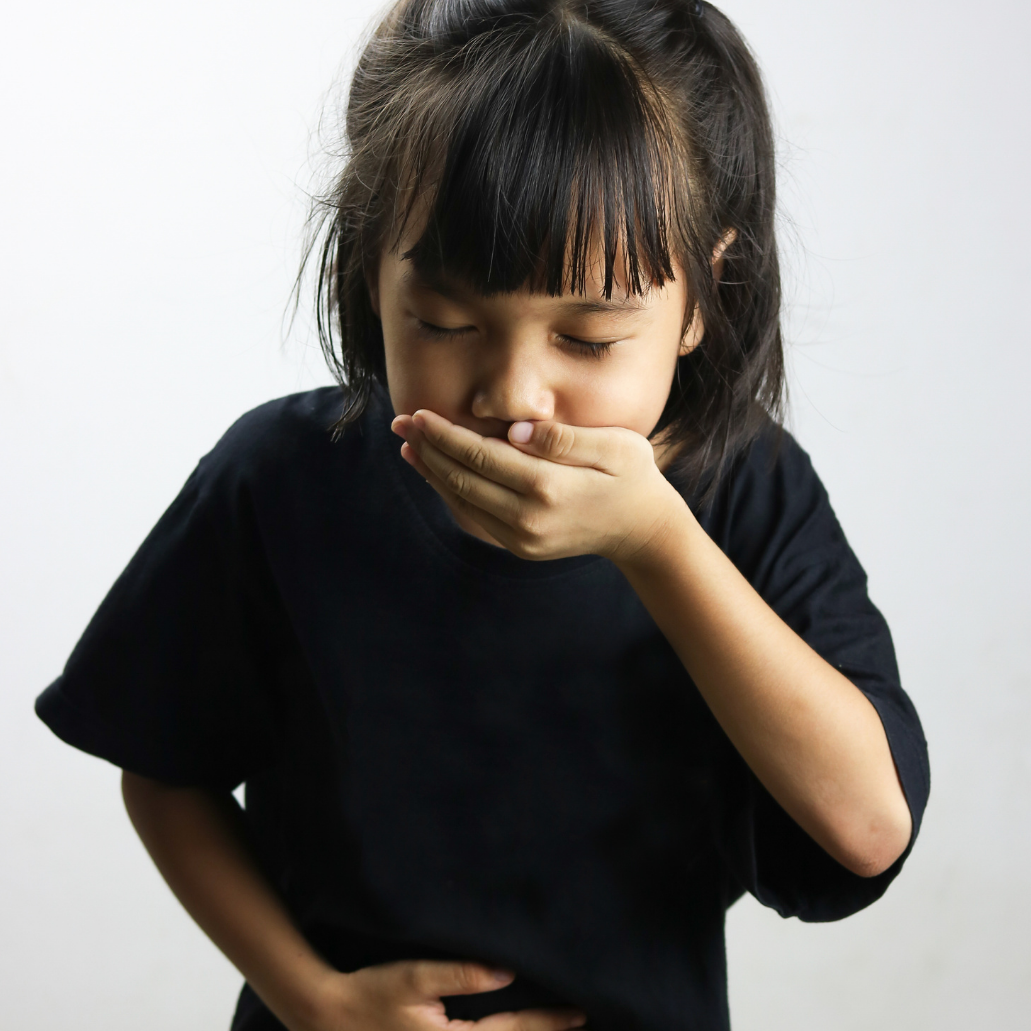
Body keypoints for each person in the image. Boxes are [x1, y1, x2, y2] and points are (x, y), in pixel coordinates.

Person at [35, 1, 930, 1030]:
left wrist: (656, 540)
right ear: (368, 269)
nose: (515, 393)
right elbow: (162, 773)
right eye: (447, 321)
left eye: (588, 338)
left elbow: (864, 826)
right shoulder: (281, 475)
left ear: (699, 298)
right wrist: (316, 1000)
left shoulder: (744, 491)